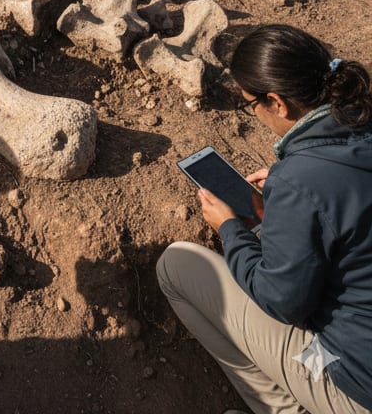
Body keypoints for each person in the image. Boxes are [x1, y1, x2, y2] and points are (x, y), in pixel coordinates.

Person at [157, 25, 372, 414]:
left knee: (175, 267)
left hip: (358, 383)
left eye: (249, 104)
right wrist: (295, 196)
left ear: (277, 102)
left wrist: (231, 229)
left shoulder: (300, 180)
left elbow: (283, 302)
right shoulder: (362, 123)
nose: (253, 113)